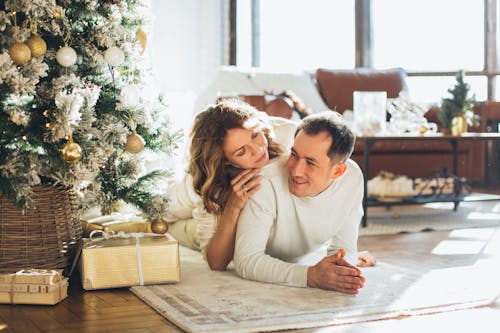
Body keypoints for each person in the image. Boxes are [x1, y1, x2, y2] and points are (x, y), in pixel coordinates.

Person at [233, 111, 366, 294]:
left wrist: (342, 271)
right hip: (214, 222)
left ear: (337, 171)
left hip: (293, 253)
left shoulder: (352, 178)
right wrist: (310, 275)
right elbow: (246, 260)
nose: (295, 171)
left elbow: (344, 248)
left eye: (310, 163)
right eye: (294, 155)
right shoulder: (265, 180)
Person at [166, 99, 298, 270]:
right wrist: (233, 207)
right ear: (226, 162)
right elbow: (216, 262)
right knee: (163, 218)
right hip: (182, 197)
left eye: (255, 135)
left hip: (203, 204)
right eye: (242, 151)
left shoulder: (288, 134)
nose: (258, 149)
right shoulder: (212, 184)